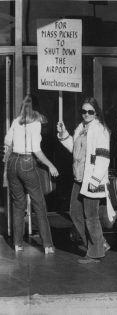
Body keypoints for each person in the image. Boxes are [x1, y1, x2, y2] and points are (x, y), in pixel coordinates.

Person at [57, 97, 113, 264]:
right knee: (75, 213)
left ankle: (95, 253)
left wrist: (95, 179)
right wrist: (63, 134)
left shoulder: (99, 130)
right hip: (79, 177)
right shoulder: (81, 128)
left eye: (90, 111)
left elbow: (103, 157)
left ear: (96, 112)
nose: (86, 114)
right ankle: (99, 244)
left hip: (92, 178)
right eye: (83, 111)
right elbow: (74, 149)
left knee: (91, 216)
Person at [4, 95, 58, 254]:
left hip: (13, 162)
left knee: (18, 205)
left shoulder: (16, 121)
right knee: (39, 204)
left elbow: (7, 142)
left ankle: (17, 244)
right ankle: (47, 245)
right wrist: (51, 165)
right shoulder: (35, 123)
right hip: (27, 162)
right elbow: (37, 150)